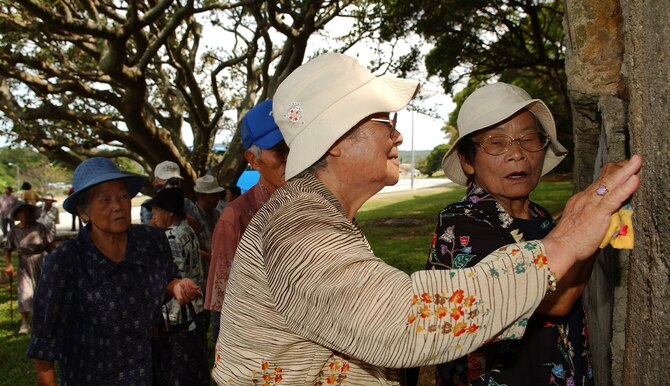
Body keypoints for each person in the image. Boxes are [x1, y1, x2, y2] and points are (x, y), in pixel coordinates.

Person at [210, 52, 642, 385]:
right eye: (386, 121)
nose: (397, 135)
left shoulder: (308, 212)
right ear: (337, 139)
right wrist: (564, 242)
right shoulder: (298, 227)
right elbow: (402, 321)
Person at [427, 82, 591, 386]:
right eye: (496, 143)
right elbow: (555, 298)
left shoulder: (541, 217)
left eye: (528, 139)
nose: (517, 154)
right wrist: (594, 214)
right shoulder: (461, 224)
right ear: (467, 160)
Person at [27, 157, 202, 385]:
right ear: (83, 211)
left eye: (122, 196)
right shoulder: (65, 262)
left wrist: (176, 286)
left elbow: (164, 283)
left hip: (151, 373)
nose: (118, 206)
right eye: (105, 200)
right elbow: (45, 346)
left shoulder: (151, 241)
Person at [205, 99, 288, 345]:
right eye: (280, 151)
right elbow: (225, 303)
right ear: (252, 159)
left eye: (295, 146)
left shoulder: (314, 200)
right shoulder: (235, 217)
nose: (291, 158)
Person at [145, 187, 209, 386]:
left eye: (156, 211)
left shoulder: (170, 237)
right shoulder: (187, 228)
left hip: (179, 316)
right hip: (196, 309)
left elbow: (173, 277)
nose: (153, 216)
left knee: (179, 372)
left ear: (168, 212)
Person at [4, 200, 54, 334]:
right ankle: (24, 323)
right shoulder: (14, 231)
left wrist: (56, 263)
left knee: (43, 291)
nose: (25, 214)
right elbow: (7, 249)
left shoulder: (40, 228)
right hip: (24, 264)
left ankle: (45, 320)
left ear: (31, 213)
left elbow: (51, 247)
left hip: (42, 261)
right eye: (21, 212)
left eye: (27, 211)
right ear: (17, 215)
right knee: (24, 292)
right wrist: (8, 265)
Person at [141, 160, 201, 233]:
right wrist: (159, 209)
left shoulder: (186, 203)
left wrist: (181, 212)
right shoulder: (148, 206)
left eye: (174, 180)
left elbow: (199, 229)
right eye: (165, 180)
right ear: (155, 182)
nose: (170, 185)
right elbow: (147, 234)